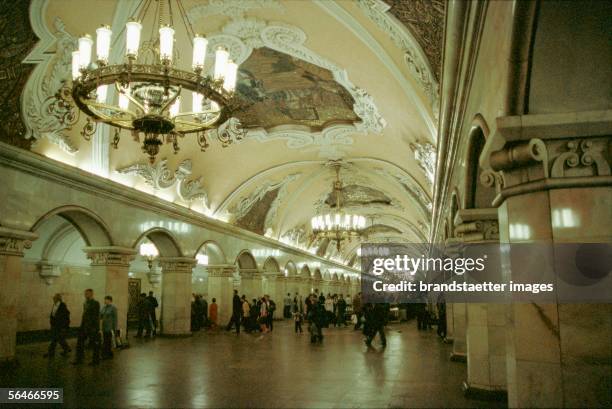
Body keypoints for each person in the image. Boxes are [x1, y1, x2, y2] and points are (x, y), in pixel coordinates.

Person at [73, 289, 100, 365]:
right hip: (84, 326)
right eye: (85, 294)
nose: (85, 295)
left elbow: (95, 316)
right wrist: (82, 326)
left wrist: (93, 327)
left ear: (91, 294)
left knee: (95, 344)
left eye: (87, 294)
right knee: (80, 343)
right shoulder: (85, 303)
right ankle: (79, 359)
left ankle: (95, 360)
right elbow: (84, 315)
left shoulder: (95, 303)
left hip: (92, 327)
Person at [44, 293, 71, 358]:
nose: (53, 298)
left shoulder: (62, 305)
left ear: (58, 299)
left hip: (60, 326)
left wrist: (64, 326)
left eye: (54, 297)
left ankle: (52, 352)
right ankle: (66, 349)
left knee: (56, 339)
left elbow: (66, 316)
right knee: (56, 339)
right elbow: (53, 314)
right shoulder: (54, 305)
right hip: (54, 325)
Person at [100, 295, 118, 360]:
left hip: (109, 327)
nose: (105, 301)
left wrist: (115, 328)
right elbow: (100, 315)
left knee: (107, 341)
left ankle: (107, 354)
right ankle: (109, 353)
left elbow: (115, 319)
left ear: (110, 300)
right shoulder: (104, 307)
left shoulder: (113, 308)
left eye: (106, 300)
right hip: (104, 327)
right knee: (105, 340)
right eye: (104, 299)